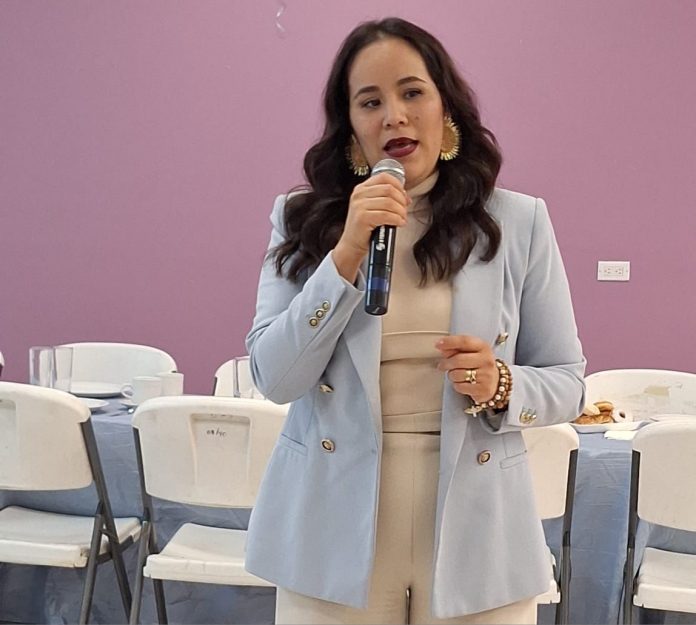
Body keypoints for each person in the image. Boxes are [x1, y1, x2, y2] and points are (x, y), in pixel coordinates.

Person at [244, 17, 585, 625]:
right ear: (351, 129)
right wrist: (345, 253)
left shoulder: (518, 222)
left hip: (479, 527)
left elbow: (568, 381)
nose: (393, 116)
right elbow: (275, 377)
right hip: (331, 523)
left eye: (411, 92)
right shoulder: (301, 219)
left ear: (445, 108)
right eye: (370, 101)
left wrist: (501, 384)